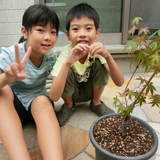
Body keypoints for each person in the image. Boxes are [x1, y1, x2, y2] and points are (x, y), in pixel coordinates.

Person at [0, 4, 64, 160]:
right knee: (3, 91)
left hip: (37, 106)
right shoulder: (9, 54)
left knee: (43, 100)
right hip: (13, 109)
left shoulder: (51, 56)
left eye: (53, 32)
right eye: (41, 30)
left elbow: (54, 91)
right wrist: (7, 78)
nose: (48, 37)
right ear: (25, 32)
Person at [49, 3, 124, 126]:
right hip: (72, 95)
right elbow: (53, 97)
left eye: (88, 28)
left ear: (97, 33)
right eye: (75, 29)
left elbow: (120, 82)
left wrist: (108, 56)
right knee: (64, 68)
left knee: (100, 63)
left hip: (90, 92)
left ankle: (96, 103)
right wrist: (67, 63)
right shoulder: (66, 53)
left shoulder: (97, 50)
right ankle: (68, 106)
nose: (82, 34)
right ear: (68, 35)